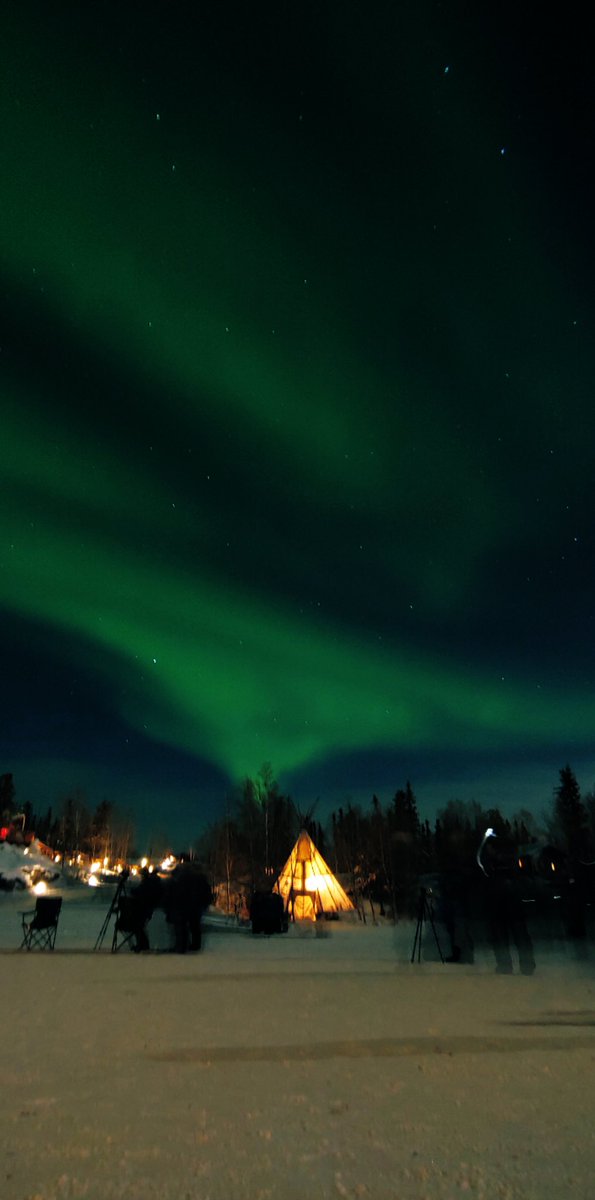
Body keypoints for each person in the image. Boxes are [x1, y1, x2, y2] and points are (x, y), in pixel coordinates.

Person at [479, 831, 535, 975]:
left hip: (501, 899)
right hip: (508, 899)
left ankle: (507, 965)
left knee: (503, 933)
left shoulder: (492, 861)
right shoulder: (509, 858)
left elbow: (486, 872)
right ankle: (524, 965)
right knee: (515, 932)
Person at [167, 858, 213, 953]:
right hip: (195, 905)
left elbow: (176, 890)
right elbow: (206, 892)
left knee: (182, 926)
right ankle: (195, 945)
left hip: (184, 904)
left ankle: (182, 946)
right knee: (194, 926)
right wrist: (204, 903)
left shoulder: (181, 876)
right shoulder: (200, 877)